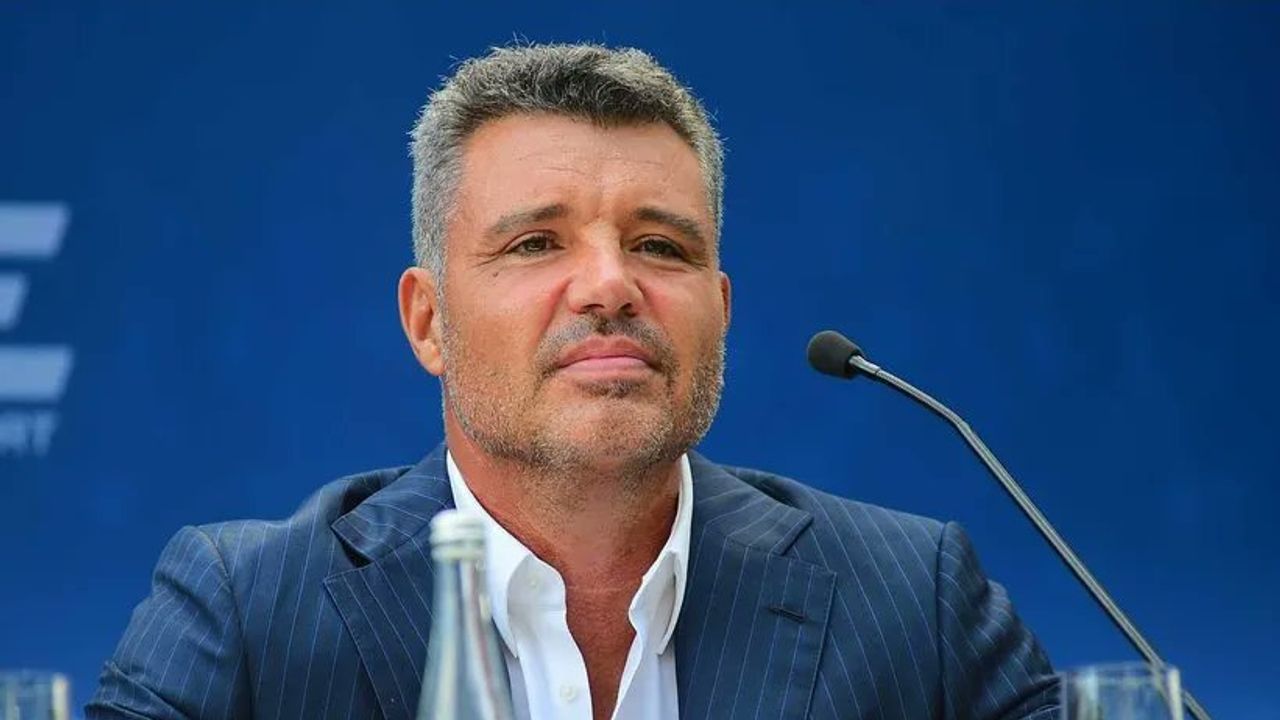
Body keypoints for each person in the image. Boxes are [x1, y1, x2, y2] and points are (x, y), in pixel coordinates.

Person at [87, 43, 1057, 720]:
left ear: (720, 309)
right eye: (535, 243)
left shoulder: (914, 602)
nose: (608, 285)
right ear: (428, 321)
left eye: (659, 245)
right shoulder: (247, 612)